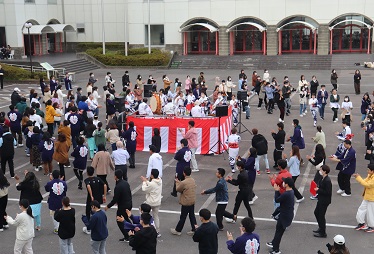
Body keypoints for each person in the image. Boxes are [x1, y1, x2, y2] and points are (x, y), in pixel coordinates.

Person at [266, 177, 294, 254]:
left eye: (284, 182)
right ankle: (274, 243)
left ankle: (276, 250)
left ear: (287, 184)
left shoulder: (286, 194)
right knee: (278, 230)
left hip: (284, 217)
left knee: (279, 233)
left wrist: (277, 191)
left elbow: (277, 199)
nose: (283, 183)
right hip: (286, 215)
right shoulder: (291, 192)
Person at [105, 170, 133, 242]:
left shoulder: (118, 186)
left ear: (115, 177)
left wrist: (108, 206)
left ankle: (127, 236)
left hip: (123, 206)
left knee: (119, 220)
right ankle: (132, 232)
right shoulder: (126, 183)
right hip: (129, 203)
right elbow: (129, 193)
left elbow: (115, 199)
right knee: (126, 218)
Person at [170, 167, 197, 236]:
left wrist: (177, 183)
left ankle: (178, 230)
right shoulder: (192, 180)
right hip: (192, 200)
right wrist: (180, 182)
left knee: (183, 216)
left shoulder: (184, 182)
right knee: (192, 215)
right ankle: (194, 228)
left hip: (186, 201)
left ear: (184, 173)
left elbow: (178, 189)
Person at [83, 166, 107, 234]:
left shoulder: (87, 180)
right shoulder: (98, 179)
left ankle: (89, 228)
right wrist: (104, 195)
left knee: (88, 212)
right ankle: (100, 224)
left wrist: (91, 195)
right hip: (99, 197)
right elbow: (105, 185)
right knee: (98, 211)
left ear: (87, 173)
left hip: (91, 199)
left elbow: (88, 186)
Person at [45, 170, 67, 234]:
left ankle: (56, 228)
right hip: (61, 200)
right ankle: (60, 226)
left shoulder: (50, 183)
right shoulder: (64, 183)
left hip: (53, 201)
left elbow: (46, 189)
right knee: (60, 213)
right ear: (59, 175)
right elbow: (65, 190)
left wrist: (50, 180)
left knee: (53, 215)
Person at [312, 165, 332, 238]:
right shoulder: (322, 178)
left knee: (321, 215)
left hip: (324, 201)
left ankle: (323, 232)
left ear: (325, 171)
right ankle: (320, 228)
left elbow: (328, 192)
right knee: (316, 213)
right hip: (321, 199)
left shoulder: (327, 180)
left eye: (321, 170)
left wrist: (318, 190)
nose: (320, 171)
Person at [141, 168, 162, 236]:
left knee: (143, 213)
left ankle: (145, 227)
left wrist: (144, 182)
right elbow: (151, 184)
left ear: (152, 175)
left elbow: (144, 189)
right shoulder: (160, 180)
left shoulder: (152, 184)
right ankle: (157, 231)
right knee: (156, 216)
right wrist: (147, 181)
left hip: (150, 202)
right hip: (157, 201)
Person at [353, 164, 374, 232]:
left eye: (368, 170)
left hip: (372, 198)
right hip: (367, 196)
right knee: (361, 209)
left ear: (372, 171)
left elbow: (367, 185)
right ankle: (361, 223)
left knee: (370, 212)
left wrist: (358, 178)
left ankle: (372, 226)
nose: (367, 171)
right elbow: (364, 181)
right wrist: (359, 178)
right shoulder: (370, 175)